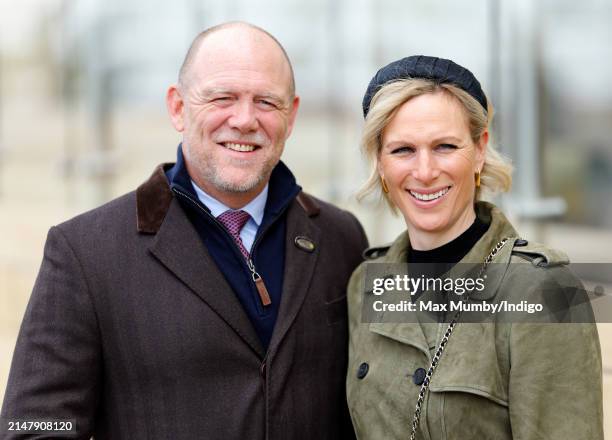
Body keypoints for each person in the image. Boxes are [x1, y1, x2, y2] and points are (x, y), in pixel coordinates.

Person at [1, 22, 367, 439]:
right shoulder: (84, 252)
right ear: (178, 107)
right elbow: (34, 427)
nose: (245, 119)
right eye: (222, 97)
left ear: (292, 115)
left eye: (266, 101)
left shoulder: (342, 238)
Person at [346, 55, 603, 439]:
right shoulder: (364, 284)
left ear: (480, 149)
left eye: (445, 146)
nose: (425, 171)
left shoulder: (544, 292)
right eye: (402, 150)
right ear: (380, 163)